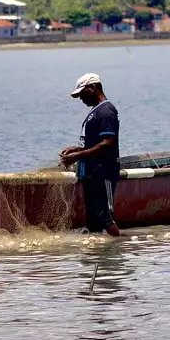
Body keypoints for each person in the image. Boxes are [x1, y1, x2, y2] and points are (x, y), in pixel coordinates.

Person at [60, 73, 121, 236]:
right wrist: (76, 150)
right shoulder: (96, 111)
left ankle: (121, 246)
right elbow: (94, 143)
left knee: (104, 216)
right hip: (91, 173)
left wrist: (78, 156)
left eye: (82, 94)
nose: (81, 99)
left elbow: (108, 142)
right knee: (93, 219)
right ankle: (96, 257)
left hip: (103, 172)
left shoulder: (107, 111)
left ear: (93, 88)